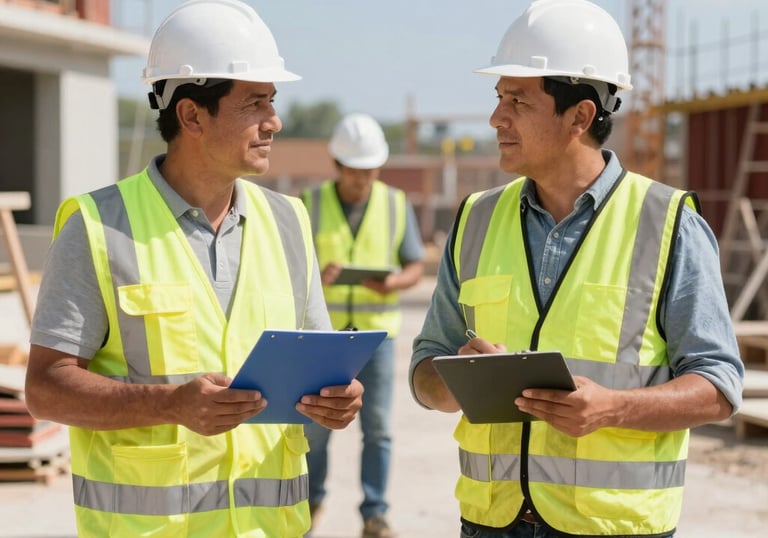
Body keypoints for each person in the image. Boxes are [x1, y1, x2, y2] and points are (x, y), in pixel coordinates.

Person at [23, 1, 364, 536]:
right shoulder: (97, 226)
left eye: (272, 102)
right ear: (192, 115)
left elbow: (316, 368)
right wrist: (171, 404)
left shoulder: (288, 221)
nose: (273, 121)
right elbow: (46, 388)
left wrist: (336, 400)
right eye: (255, 103)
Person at [410, 1, 745, 537]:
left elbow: (719, 385)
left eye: (517, 100)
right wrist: (457, 383)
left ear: (581, 116)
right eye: (499, 98)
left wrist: (612, 408)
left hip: (612, 526)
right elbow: (425, 371)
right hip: (490, 523)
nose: (497, 117)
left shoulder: (667, 224)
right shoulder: (476, 219)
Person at [301, 113, 425, 538]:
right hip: (325, 337)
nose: (362, 179)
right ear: (338, 165)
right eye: (355, 171)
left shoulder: (395, 203)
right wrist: (320, 275)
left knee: (378, 430)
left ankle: (375, 513)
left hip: (377, 337)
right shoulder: (309, 204)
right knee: (314, 428)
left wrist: (391, 282)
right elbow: (289, 270)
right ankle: (311, 501)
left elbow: (414, 266)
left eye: (369, 170)